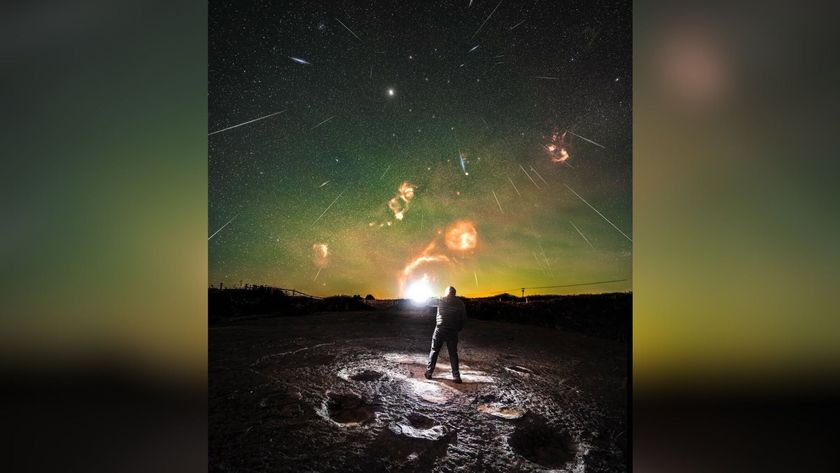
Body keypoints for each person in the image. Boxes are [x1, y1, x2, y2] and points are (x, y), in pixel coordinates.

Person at [425, 286, 466, 383]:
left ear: (446, 292)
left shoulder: (440, 300)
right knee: (453, 353)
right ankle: (456, 376)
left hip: (440, 329)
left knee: (434, 350)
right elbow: (463, 317)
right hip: (452, 330)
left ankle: (429, 372)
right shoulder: (460, 303)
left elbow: (428, 302)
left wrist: (429, 295)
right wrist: (458, 328)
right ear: (454, 293)